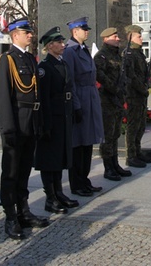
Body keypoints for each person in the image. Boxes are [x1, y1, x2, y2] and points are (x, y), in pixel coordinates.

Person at [0, 17, 49, 240]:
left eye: (30, 32)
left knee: (25, 169)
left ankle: (23, 211)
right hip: (15, 122)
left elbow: (36, 93)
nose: (30, 35)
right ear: (15, 35)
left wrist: (40, 122)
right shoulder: (7, 60)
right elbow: (2, 96)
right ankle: (10, 216)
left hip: (30, 121)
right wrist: (8, 127)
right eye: (26, 32)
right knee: (11, 172)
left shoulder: (29, 59)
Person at [34, 26, 79, 214]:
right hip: (52, 116)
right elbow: (42, 98)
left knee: (60, 157)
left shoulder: (62, 63)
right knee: (49, 159)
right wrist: (44, 123)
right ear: (50, 46)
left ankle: (59, 192)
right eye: (59, 43)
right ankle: (50, 197)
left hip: (64, 116)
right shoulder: (45, 68)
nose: (63, 45)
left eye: (62, 42)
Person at [62, 17, 104, 196]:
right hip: (80, 98)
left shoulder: (83, 49)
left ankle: (84, 180)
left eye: (87, 29)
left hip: (90, 98)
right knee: (78, 144)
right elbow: (69, 81)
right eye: (83, 29)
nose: (87, 31)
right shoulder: (70, 51)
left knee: (87, 143)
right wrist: (76, 106)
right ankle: (76, 183)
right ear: (74, 31)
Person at [94, 27, 132, 181]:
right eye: (114, 37)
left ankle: (115, 164)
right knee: (108, 135)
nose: (118, 39)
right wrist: (114, 88)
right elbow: (100, 75)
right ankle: (108, 167)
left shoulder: (117, 55)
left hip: (117, 99)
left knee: (115, 133)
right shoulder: (101, 56)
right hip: (107, 100)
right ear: (105, 39)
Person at [124, 25, 151, 168]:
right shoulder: (129, 53)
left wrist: (147, 83)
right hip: (133, 95)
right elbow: (131, 76)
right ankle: (131, 156)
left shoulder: (139, 53)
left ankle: (137, 151)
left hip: (141, 95)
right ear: (131, 38)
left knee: (141, 125)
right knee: (133, 126)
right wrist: (142, 89)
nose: (141, 38)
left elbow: (142, 74)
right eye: (138, 36)